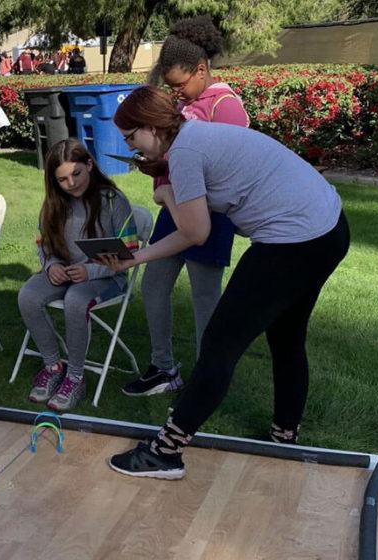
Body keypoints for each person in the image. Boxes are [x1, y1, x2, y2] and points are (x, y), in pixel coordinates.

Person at [103, 86, 349, 480]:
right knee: (286, 337)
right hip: (329, 229)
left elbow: (195, 233)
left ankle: (165, 452)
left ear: (151, 127)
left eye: (132, 137)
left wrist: (164, 198)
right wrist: (145, 239)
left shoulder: (184, 152)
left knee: (219, 343)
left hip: (293, 240)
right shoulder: (193, 137)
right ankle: (284, 436)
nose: (132, 147)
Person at [122, 16, 250, 399]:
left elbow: (229, 169)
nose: (176, 93)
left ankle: (205, 379)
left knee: (204, 298)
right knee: (154, 283)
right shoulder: (182, 102)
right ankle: (163, 368)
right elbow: (172, 153)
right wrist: (158, 172)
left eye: (180, 84)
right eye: (171, 87)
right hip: (174, 207)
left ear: (201, 69)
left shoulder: (226, 106)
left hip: (211, 213)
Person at [18, 139, 138, 411]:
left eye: (76, 174)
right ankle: (52, 366)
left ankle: (75, 376)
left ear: (90, 165)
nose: (71, 183)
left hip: (107, 277)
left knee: (75, 300)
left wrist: (91, 270)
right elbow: (44, 245)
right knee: (28, 295)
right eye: (62, 179)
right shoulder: (54, 202)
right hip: (67, 271)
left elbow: (129, 252)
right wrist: (51, 266)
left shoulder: (112, 200)